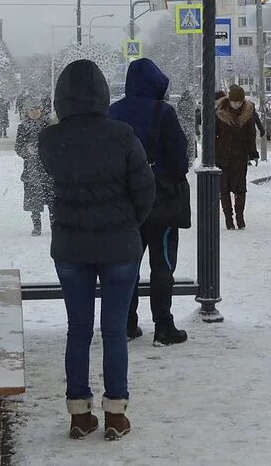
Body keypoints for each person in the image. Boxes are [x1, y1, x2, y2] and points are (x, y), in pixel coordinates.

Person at [38, 60, 155, 441]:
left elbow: (51, 184)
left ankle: (78, 413)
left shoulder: (51, 139)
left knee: (78, 330)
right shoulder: (122, 135)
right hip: (120, 246)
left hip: (71, 247)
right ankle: (116, 415)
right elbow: (144, 189)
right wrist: (128, 222)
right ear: (103, 94)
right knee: (114, 330)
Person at [109, 58, 190, 346]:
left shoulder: (113, 112)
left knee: (127, 263)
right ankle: (163, 326)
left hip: (125, 204)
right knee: (162, 264)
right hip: (161, 202)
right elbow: (180, 158)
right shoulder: (163, 112)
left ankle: (127, 323)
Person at [216, 85, 259, 230]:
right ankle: (229, 218)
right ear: (229, 100)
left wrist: (253, 153)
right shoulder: (219, 112)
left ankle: (240, 217)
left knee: (240, 188)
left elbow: (251, 135)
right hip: (222, 155)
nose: (237, 104)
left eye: (239, 102)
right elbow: (212, 134)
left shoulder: (248, 113)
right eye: (235, 102)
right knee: (224, 188)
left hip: (240, 156)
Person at [15, 98, 54, 236]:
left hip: (48, 170)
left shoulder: (49, 126)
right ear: (27, 111)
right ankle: (36, 226)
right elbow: (18, 147)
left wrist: (46, 151)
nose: (35, 112)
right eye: (31, 109)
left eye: (37, 109)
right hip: (31, 171)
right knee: (34, 202)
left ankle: (54, 226)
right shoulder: (23, 127)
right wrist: (27, 151)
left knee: (52, 201)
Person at [177, 89, 197, 162]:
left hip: (183, 123)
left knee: (184, 140)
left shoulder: (180, 103)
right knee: (190, 141)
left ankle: (186, 156)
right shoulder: (190, 103)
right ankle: (191, 157)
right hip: (190, 123)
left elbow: (179, 113)